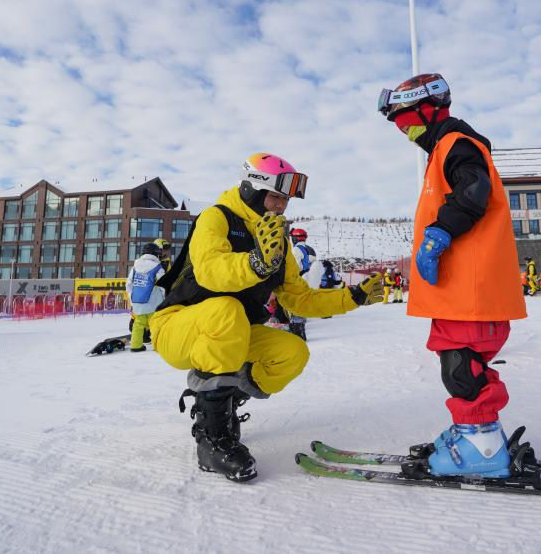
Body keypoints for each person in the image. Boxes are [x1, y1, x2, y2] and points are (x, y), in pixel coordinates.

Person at [149, 153, 383, 482]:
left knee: (291, 352)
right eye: (276, 196)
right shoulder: (216, 219)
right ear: (251, 189)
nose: (282, 207)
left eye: (286, 200)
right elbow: (210, 271)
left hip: (229, 330)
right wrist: (255, 263)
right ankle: (212, 438)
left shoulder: (280, 243)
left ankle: (223, 399)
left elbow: (299, 297)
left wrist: (353, 296)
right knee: (226, 310)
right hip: (177, 326)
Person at [378, 72, 526, 478]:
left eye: (405, 118)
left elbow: (472, 191)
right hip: (458, 286)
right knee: (460, 360)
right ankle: (475, 431)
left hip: (470, 285)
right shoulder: (444, 148)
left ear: (431, 107)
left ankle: (482, 445)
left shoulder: (457, 144)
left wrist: (440, 231)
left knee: (461, 366)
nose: (403, 128)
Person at [126, 242, 168, 352]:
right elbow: (163, 284)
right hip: (153, 302)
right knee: (154, 324)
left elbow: (129, 284)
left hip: (137, 302)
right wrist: (164, 299)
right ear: (156, 254)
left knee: (138, 324)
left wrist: (132, 299)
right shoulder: (157, 267)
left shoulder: (135, 267)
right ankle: (157, 345)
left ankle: (136, 345)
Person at [285, 227, 323, 341]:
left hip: (298, 279)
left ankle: (298, 334)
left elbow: (295, 267)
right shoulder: (306, 249)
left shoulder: (296, 249)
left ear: (295, 239)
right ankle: (300, 331)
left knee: (295, 305)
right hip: (305, 279)